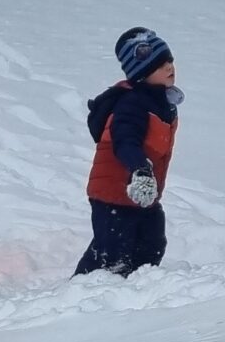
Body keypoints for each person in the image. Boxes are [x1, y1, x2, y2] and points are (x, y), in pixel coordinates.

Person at [75, 27, 180, 277]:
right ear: (142, 73)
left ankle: (136, 285)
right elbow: (125, 141)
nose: (169, 67)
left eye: (170, 60)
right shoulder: (132, 104)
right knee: (113, 254)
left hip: (142, 192)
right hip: (113, 193)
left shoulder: (163, 103)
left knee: (152, 243)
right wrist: (140, 168)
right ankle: (83, 289)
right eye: (160, 64)